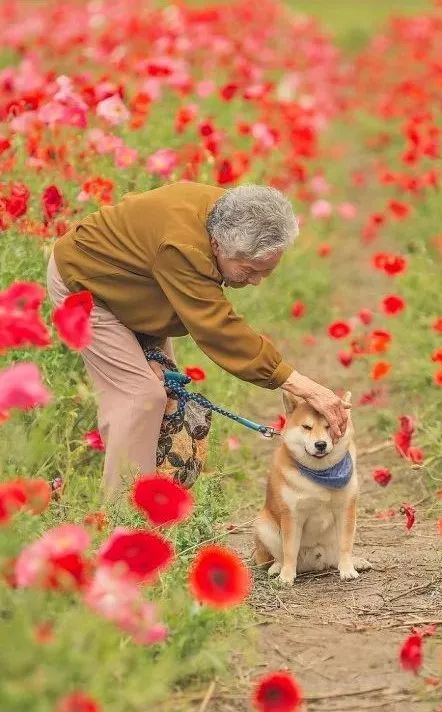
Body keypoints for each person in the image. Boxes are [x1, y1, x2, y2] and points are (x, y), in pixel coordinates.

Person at [46, 181, 349, 497]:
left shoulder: (233, 212)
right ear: (217, 245)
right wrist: (300, 384)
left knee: (166, 395)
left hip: (140, 290)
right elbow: (218, 329)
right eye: (249, 270)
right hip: (87, 287)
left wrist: (149, 347)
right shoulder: (184, 248)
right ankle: (125, 523)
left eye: (267, 271)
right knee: (140, 398)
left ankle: (158, 503)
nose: (257, 281)